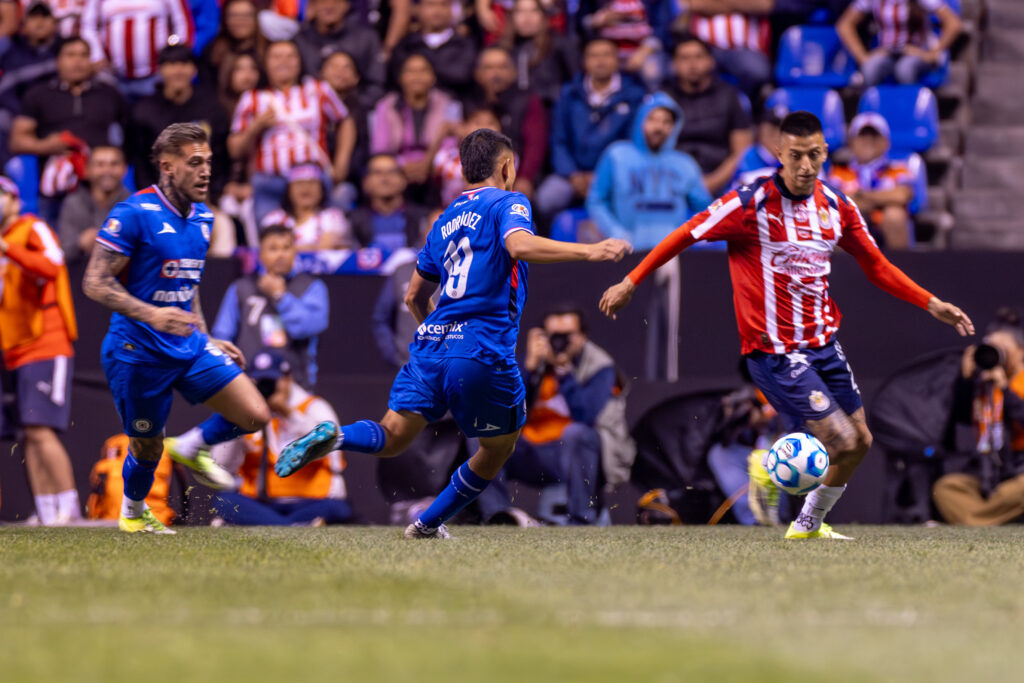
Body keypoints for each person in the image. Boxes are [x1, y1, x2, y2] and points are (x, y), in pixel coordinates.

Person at [598, 111, 974, 540]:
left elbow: (877, 265)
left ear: (825, 153)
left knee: (862, 442)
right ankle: (767, 472)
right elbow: (686, 233)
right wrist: (631, 280)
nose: (805, 166)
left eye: (814, 155)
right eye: (795, 155)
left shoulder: (838, 207)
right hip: (774, 351)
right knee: (844, 442)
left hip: (825, 345)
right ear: (779, 152)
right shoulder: (748, 204)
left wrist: (930, 302)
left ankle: (808, 523)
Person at [274, 128, 631, 539]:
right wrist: (589, 250)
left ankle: (336, 437)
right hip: (480, 345)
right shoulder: (509, 201)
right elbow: (518, 245)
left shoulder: (445, 220)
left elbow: (413, 294)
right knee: (497, 449)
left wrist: (436, 326)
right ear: (507, 167)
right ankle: (426, 524)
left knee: (391, 436)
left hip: (432, 344)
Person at [82, 123, 271, 534]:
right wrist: (152, 315)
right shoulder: (133, 213)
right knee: (147, 447)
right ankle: (133, 512)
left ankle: (192, 445)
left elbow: (189, 284)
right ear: (167, 166)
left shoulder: (204, 217)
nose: (206, 172)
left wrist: (205, 333)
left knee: (255, 413)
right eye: (195, 163)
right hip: (136, 351)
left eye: (208, 162)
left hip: (187, 343)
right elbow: (94, 282)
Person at [476, 307, 633, 525]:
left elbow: (585, 415)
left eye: (567, 335)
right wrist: (528, 367)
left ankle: (580, 520)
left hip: (575, 455)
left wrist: (563, 370)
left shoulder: (600, 366)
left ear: (582, 337)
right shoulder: (536, 359)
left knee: (576, 434)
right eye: (553, 336)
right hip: (530, 451)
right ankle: (498, 516)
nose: (559, 342)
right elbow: (503, 407)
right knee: (484, 430)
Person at [0, 176, 81, 526]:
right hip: (14, 349)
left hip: (45, 341)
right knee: (28, 432)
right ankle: (47, 511)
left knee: (41, 428)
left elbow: (54, 261)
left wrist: (8, 249)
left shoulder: (32, 227)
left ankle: (69, 507)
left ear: (15, 200)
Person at [210, 350, 353, 526]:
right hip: (266, 502)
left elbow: (330, 452)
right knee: (225, 502)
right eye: (260, 382)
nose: (266, 388)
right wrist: (236, 423)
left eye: (271, 382)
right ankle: (292, 526)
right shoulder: (248, 414)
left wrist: (288, 412)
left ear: (287, 380)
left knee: (338, 508)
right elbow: (221, 466)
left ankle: (269, 524)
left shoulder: (313, 407)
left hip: (313, 499)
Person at [227, 40, 354, 224]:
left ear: (300, 61)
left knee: (327, 235)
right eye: (276, 57)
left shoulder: (319, 90)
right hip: (270, 183)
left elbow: (345, 120)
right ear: (266, 63)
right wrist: (256, 126)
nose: (283, 62)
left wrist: (341, 162)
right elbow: (235, 149)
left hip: (314, 180)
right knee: (272, 241)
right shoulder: (252, 99)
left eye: (290, 56)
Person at [10, 36, 126, 226]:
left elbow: (129, 135)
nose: (77, 61)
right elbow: (17, 140)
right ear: (58, 60)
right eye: (70, 55)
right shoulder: (39, 94)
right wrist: (46, 146)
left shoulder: (109, 93)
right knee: (56, 249)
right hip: (56, 189)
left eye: (83, 55)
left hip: (101, 187)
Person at [535, 37, 645, 227]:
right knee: (547, 199)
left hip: (615, 174)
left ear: (617, 60)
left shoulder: (634, 95)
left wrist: (602, 175)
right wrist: (573, 174)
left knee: (635, 197)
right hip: (572, 174)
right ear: (584, 62)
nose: (600, 61)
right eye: (594, 56)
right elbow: (558, 140)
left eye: (606, 55)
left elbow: (632, 143)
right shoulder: (568, 94)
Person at [586, 92, 711, 249]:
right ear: (640, 120)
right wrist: (616, 233)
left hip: (673, 254)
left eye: (667, 122)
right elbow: (596, 200)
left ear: (675, 127)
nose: (659, 127)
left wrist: (687, 239)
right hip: (627, 251)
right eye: (653, 119)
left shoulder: (685, 163)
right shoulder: (617, 155)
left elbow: (706, 210)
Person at [212, 224, 330, 390]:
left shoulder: (311, 287)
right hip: (247, 383)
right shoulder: (241, 288)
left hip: (295, 384)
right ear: (260, 254)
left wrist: (280, 296)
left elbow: (308, 327)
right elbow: (222, 336)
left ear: (295, 251)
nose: (280, 254)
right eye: (273, 248)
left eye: (286, 248)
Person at [933, 311, 1024, 526]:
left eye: (1003, 350)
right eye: (991, 349)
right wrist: (965, 380)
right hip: (993, 474)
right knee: (946, 488)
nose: (996, 356)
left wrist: (1006, 392)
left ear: (1020, 352)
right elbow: (959, 420)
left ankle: (976, 520)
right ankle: (991, 518)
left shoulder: (1016, 382)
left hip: (1020, 470)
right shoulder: (983, 385)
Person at [129, 45, 231, 202]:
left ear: (194, 69)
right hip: (161, 198)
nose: (178, 71)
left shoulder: (211, 107)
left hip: (207, 198)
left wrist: (215, 194)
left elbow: (221, 154)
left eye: (184, 64)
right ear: (160, 70)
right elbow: (141, 162)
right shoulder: (144, 111)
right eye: (171, 64)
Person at [666, 35, 752, 196]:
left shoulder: (729, 95)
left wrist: (713, 182)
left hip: (722, 182)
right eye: (684, 58)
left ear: (711, 62)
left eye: (698, 57)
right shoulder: (664, 98)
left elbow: (742, 150)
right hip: (672, 184)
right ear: (674, 65)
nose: (692, 64)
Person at [369, 53, 462, 199]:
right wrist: (403, 165)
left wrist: (427, 163)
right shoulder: (386, 106)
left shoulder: (448, 104)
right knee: (382, 170)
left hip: (435, 166)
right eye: (410, 71)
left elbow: (451, 146)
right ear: (400, 77)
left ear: (433, 77)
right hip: (398, 168)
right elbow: (380, 148)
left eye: (423, 71)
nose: (417, 76)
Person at [464, 46, 547, 199]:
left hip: (518, 174)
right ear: (477, 74)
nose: (495, 74)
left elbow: (535, 145)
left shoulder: (528, 100)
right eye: (489, 68)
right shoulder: (469, 102)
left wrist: (525, 177)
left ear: (513, 72)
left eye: (502, 67)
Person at [827, 113, 915, 250]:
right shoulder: (839, 172)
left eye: (875, 136)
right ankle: (841, 270)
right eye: (862, 136)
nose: (868, 140)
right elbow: (833, 202)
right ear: (851, 142)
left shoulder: (898, 169)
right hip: (853, 226)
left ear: (886, 142)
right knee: (836, 218)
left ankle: (898, 269)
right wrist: (882, 199)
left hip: (883, 224)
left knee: (895, 215)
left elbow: (902, 195)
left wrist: (862, 196)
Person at [80, 0, 196, 99]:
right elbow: (88, 26)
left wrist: (174, 58)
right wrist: (97, 56)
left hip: (155, 75)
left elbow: (182, 22)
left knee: (156, 119)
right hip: (114, 76)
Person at [837, 0, 963, 87]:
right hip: (886, 52)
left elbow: (954, 24)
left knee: (905, 69)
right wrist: (862, 57)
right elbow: (845, 25)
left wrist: (933, 53)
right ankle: (875, 114)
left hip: (915, 53)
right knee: (870, 69)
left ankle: (908, 113)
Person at [0, 1, 60, 166]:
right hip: (20, 112)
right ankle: (6, 176)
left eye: (45, 17)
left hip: (58, 110)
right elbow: (6, 92)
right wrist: (24, 114)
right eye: (33, 18)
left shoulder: (64, 49)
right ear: (23, 26)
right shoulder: (12, 51)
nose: (39, 23)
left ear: (55, 24)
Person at [676, 0, 773, 100]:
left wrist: (712, 5)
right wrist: (741, 6)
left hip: (744, 49)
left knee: (756, 70)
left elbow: (764, 4)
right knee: (684, 69)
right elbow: (694, 4)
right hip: (703, 48)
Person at [294, 0, 385, 104]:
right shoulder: (300, 40)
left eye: (336, 1)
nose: (329, 6)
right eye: (322, 2)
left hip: (358, 109)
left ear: (346, 5)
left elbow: (376, 84)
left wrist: (350, 111)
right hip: (310, 110)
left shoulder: (366, 38)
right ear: (313, 6)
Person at [58, 145, 131, 263]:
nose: (107, 170)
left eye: (114, 164)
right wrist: (80, 244)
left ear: (125, 169)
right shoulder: (73, 203)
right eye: (100, 164)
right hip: (79, 275)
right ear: (87, 170)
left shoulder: (135, 205)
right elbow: (62, 253)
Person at [388, 0, 477, 96]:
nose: (437, 11)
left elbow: (462, 76)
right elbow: (396, 78)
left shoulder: (465, 44)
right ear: (417, 9)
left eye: (444, 5)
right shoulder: (407, 45)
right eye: (431, 4)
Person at [499, 0, 578, 106]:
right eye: (520, 11)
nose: (527, 18)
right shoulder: (502, 49)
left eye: (534, 11)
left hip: (551, 108)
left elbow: (576, 81)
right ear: (511, 17)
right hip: (511, 110)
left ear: (543, 16)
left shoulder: (560, 45)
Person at [260, 164, 355, 251]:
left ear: (321, 189)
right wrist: (314, 247)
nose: (306, 188)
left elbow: (328, 247)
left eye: (312, 183)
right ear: (289, 190)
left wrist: (291, 249)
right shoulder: (274, 219)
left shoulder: (333, 216)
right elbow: (269, 250)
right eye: (299, 184)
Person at [348, 153, 430, 250]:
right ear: (366, 183)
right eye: (377, 173)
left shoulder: (423, 219)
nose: (385, 178)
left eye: (392, 172)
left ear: (403, 180)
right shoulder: (351, 221)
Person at [198, 0, 268, 87]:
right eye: (234, 16)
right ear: (225, 20)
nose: (241, 21)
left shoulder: (268, 50)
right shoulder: (212, 51)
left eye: (247, 15)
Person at [731, 105, 783, 191]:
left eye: (783, 130)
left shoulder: (793, 160)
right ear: (760, 128)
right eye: (773, 129)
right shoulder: (744, 158)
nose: (778, 135)